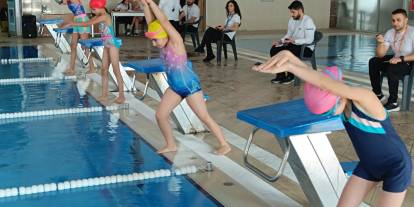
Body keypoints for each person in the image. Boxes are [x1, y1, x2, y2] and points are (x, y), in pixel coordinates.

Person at [253, 50, 412, 207]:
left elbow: (324, 83)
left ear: (338, 94)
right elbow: (317, 81)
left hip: (396, 166)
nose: (332, 113)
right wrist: (290, 57)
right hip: (369, 165)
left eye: (331, 109)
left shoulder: (366, 98)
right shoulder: (342, 104)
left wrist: (290, 67)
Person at [140, 0, 231, 155]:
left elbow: (162, 20)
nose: (154, 44)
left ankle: (224, 144)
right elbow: (152, 22)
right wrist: (144, 5)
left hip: (190, 86)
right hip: (175, 87)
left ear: (164, 34)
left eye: (155, 40)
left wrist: (151, 3)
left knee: (204, 116)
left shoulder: (176, 41)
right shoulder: (162, 41)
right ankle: (171, 144)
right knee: (161, 115)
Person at [62, 0, 125, 104]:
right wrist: (72, 23)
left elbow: (88, 23)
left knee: (115, 70)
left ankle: (121, 96)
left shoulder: (105, 16)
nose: (93, 11)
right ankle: (104, 95)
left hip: (113, 45)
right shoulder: (99, 16)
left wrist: (71, 23)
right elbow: (86, 22)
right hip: (106, 45)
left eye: (93, 9)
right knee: (104, 70)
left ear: (100, 7)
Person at [369, 9, 414, 112]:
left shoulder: (412, 32)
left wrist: (401, 59)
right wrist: (380, 43)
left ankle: (393, 102)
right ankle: (378, 94)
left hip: (409, 61)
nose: (395, 23)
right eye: (393, 20)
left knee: (392, 68)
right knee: (373, 62)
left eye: (398, 20)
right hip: (397, 58)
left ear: (406, 20)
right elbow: (380, 55)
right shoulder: (390, 32)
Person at [269, 0, 315, 84]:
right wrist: (280, 41)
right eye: (291, 12)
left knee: (288, 52)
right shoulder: (292, 20)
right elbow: (288, 35)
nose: (291, 14)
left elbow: (309, 40)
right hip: (294, 45)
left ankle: (291, 76)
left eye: (293, 12)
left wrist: (295, 40)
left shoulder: (308, 21)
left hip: (306, 48)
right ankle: (280, 75)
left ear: (300, 10)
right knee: (274, 49)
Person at [55, 0, 96, 75]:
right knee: (73, 45)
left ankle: (92, 68)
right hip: (76, 20)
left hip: (82, 20)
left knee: (85, 46)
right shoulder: (68, 1)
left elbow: (63, 1)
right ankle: (72, 68)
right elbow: (61, 2)